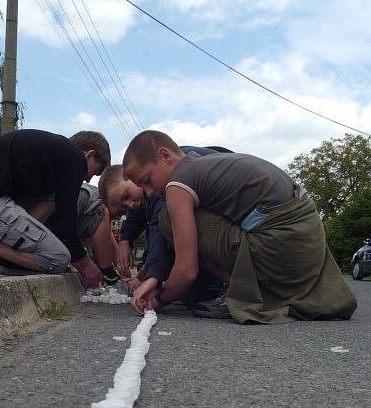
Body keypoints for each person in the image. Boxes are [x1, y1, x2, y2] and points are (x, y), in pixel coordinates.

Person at [122, 130, 357, 323]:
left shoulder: (178, 184)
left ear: (165, 156)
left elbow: (187, 270)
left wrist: (159, 298)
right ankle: (252, 288)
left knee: (166, 219)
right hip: (308, 244)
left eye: (147, 180)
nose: (150, 193)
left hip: (285, 246)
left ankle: (242, 293)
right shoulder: (203, 162)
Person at [0, 129, 111, 287]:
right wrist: (85, 264)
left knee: (51, 199)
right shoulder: (75, 158)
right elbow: (66, 223)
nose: (88, 181)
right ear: (89, 154)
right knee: (58, 258)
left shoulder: (53, 153)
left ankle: (11, 258)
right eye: (95, 172)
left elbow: (56, 217)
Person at [98, 146, 233, 312]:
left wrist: (152, 278)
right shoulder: (146, 188)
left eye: (125, 196)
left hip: (244, 219)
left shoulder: (166, 180)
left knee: (187, 286)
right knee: (184, 291)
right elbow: (139, 216)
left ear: (132, 174)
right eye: (124, 208)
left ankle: (232, 285)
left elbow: (159, 229)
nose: (130, 205)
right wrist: (125, 240)